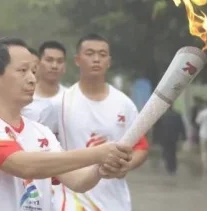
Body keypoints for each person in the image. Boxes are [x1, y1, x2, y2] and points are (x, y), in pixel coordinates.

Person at [0, 37, 133, 211]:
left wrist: (100, 168)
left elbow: (77, 181)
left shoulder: (41, 132)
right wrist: (98, 154)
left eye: (33, 71)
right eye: (23, 71)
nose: (32, 79)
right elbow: (24, 166)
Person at [44, 33, 149, 211]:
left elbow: (141, 147)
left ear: (109, 61)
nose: (96, 59)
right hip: (73, 199)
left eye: (102, 54)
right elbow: (43, 149)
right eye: (90, 53)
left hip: (115, 200)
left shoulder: (124, 104)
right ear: (77, 59)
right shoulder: (59, 104)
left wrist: (125, 166)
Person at [153, 105, 185, 175]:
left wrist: (155, 138)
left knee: (167, 151)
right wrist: (184, 136)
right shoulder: (177, 114)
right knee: (173, 152)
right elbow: (181, 126)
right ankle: (173, 167)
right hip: (174, 137)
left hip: (164, 137)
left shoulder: (162, 115)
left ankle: (170, 167)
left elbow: (157, 127)